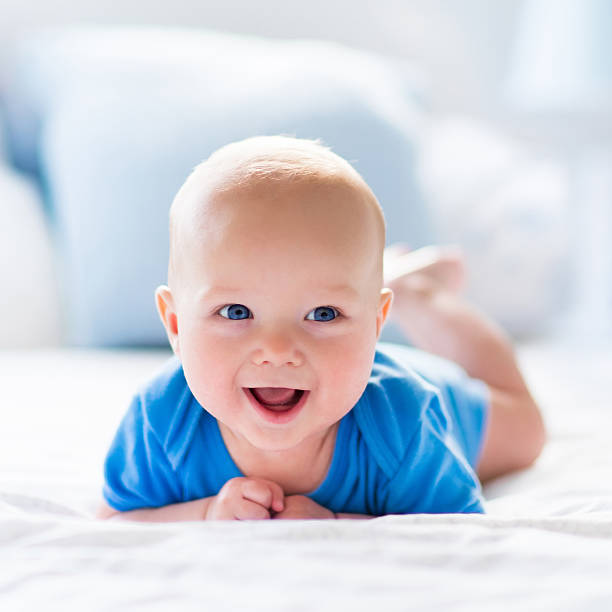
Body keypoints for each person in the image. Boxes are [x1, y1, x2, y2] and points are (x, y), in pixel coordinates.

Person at [96, 136, 545, 522]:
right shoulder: (162, 420)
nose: (276, 350)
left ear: (375, 324)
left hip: (445, 401)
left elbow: (455, 533)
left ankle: (417, 295)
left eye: (323, 313)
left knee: (527, 431)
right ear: (175, 324)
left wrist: (337, 521)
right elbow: (120, 517)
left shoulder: (404, 422)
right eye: (235, 311)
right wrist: (208, 511)